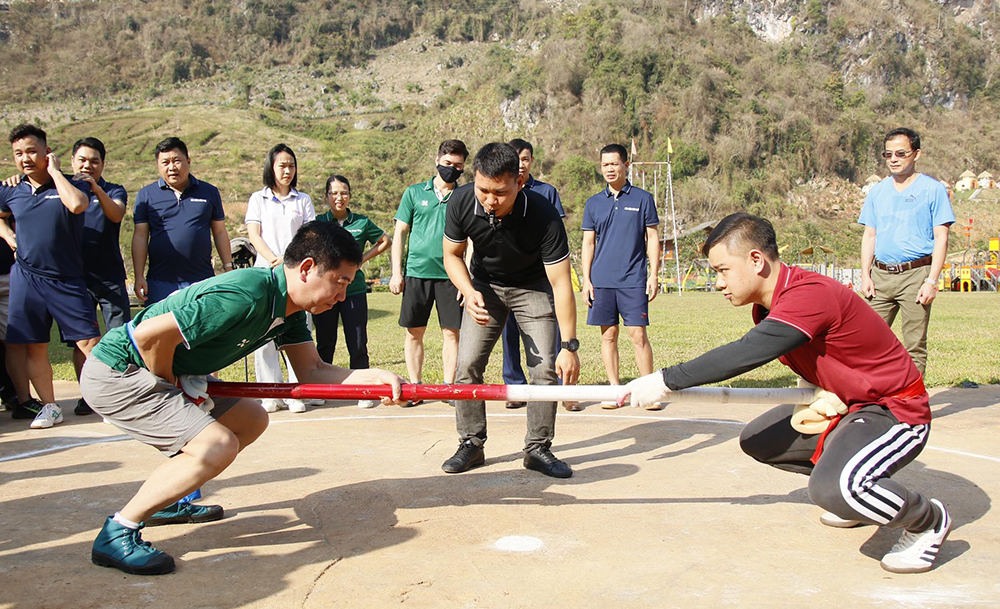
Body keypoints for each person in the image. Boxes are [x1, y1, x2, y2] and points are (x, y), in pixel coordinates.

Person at [623, 212, 951, 575]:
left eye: (722, 270)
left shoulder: (808, 294)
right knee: (759, 440)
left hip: (895, 411)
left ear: (755, 260)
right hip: (852, 407)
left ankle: (926, 520)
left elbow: (746, 353)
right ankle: (854, 496)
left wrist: (664, 380)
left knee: (832, 487)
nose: (718, 283)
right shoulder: (767, 306)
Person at [81, 221, 404, 576]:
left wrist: (375, 378)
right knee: (216, 445)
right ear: (308, 268)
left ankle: (163, 499)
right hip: (119, 372)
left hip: (160, 370)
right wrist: (173, 389)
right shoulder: (248, 293)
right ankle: (119, 531)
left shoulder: (289, 309)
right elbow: (149, 336)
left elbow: (312, 371)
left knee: (251, 419)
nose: (342, 296)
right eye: (340, 282)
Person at [440, 142, 580, 479]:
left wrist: (569, 346)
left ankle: (537, 448)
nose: (490, 200)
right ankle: (471, 443)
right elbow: (452, 255)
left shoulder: (544, 215)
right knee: (467, 364)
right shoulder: (461, 202)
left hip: (532, 288)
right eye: (483, 190)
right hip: (485, 287)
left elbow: (561, 283)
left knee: (544, 369)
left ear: (519, 181)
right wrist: (468, 290)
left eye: (500, 192)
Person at [0, 124, 99, 429]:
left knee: (90, 343)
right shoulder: (11, 190)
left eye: (31, 151)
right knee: (33, 345)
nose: (25, 158)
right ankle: (49, 406)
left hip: (66, 278)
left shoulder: (74, 184)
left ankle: (107, 400)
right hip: (26, 278)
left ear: (47, 152)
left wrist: (56, 173)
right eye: (18, 153)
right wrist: (8, 236)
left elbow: (78, 205)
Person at [859, 127, 954, 375]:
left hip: (916, 275)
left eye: (901, 153)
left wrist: (932, 281)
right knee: (865, 342)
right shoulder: (877, 192)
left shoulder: (933, 190)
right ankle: (871, 401)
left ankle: (911, 408)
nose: (894, 159)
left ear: (916, 154)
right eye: (888, 154)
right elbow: (870, 235)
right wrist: (865, 275)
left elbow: (941, 238)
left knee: (914, 346)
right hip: (880, 277)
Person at [582, 143, 660, 409]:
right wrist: (587, 279)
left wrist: (654, 274)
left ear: (626, 165)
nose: (609, 169)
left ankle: (648, 392)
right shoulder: (593, 203)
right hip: (602, 281)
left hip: (633, 280)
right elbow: (588, 243)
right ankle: (615, 390)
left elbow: (652, 237)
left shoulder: (643, 199)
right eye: (605, 165)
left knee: (638, 335)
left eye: (614, 164)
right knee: (608, 336)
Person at [390, 139, 467, 405]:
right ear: (437, 161)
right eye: (447, 163)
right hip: (417, 273)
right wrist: (396, 273)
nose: (452, 169)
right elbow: (400, 234)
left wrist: (466, 281)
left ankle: (450, 388)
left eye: (458, 165)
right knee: (414, 332)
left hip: (451, 276)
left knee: (452, 333)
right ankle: (414, 388)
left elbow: (473, 241)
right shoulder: (413, 193)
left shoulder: (464, 195)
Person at [245, 143, 317, 414]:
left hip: (297, 276)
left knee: (296, 332)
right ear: (271, 168)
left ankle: (295, 393)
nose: (287, 170)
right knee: (262, 336)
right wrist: (274, 259)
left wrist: (292, 264)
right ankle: (269, 393)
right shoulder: (258, 199)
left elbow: (310, 236)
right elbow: (254, 235)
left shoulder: (303, 200)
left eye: (291, 165)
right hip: (266, 272)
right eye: (282, 165)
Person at [501, 138, 567, 409]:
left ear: (531, 161)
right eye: (515, 159)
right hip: (507, 274)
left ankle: (556, 387)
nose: (520, 164)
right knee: (509, 333)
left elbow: (557, 234)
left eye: (525, 159)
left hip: (541, 275)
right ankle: (514, 386)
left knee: (550, 329)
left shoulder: (547, 192)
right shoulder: (500, 190)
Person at [314, 175, 391, 408]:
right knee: (325, 341)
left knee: (357, 341)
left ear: (350, 195)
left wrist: (361, 260)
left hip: (354, 289)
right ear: (327, 196)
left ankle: (363, 390)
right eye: (335, 193)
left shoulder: (362, 222)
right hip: (326, 290)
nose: (340, 197)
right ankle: (321, 390)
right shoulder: (319, 222)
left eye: (344, 192)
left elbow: (384, 240)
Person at [68, 137, 131, 416]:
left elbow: (116, 214)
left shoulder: (114, 190)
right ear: (72, 162)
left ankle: (119, 393)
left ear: (102, 164)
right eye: (82, 160)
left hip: (110, 277)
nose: (87, 165)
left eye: (94, 160)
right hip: (73, 278)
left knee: (120, 337)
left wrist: (94, 189)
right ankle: (87, 395)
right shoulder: (62, 190)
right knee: (82, 341)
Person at [132, 137, 234, 305]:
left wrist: (228, 267)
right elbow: (141, 236)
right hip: (160, 282)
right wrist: (138, 276)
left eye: (177, 161)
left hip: (201, 280)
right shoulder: (146, 195)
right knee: (160, 329)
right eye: (165, 162)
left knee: (200, 328)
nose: (171, 167)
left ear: (188, 161)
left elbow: (220, 231)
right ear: (158, 165)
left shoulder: (209, 192)